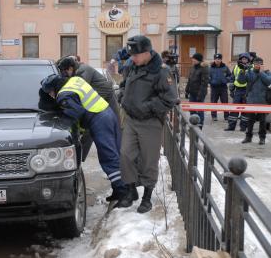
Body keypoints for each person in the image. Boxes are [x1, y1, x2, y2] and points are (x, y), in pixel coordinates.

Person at [40, 74, 130, 207]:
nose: (52, 96)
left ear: (54, 88)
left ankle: (123, 193)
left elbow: (75, 114)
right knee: (114, 153)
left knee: (108, 157)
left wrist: (75, 132)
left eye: (51, 92)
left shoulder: (64, 95)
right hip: (107, 113)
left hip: (99, 120)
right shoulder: (75, 80)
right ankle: (119, 189)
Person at [119, 35, 178, 212]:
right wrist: (123, 96)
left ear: (147, 53)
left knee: (149, 160)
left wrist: (146, 107)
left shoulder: (161, 71)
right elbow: (124, 84)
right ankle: (130, 191)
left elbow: (170, 99)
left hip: (150, 121)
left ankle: (147, 197)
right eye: (131, 55)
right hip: (131, 119)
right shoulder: (131, 65)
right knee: (125, 155)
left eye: (136, 55)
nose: (132, 58)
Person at [57, 56, 121, 163]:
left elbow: (78, 90)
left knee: (115, 131)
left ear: (70, 68)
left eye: (64, 71)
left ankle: (119, 163)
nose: (64, 74)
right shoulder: (78, 72)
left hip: (107, 100)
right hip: (99, 101)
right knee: (90, 131)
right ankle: (80, 158)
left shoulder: (83, 71)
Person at [241, 57, 271, 145]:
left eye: (259, 64)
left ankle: (262, 138)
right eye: (256, 64)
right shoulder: (249, 73)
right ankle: (248, 137)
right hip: (251, 101)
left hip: (262, 101)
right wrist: (242, 72)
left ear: (262, 65)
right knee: (250, 120)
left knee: (262, 121)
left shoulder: (267, 73)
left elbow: (269, 82)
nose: (258, 65)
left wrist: (261, 72)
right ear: (253, 64)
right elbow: (241, 81)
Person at [225, 53, 252, 131]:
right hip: (238, 90)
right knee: (234, 109)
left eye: (246, 59)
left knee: (245, 110)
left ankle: (243, 127)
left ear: (248, 60)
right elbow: (232, 78)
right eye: (243, 59)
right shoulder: (236, 66)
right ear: (240, 59)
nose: (244, 60)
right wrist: (231, 89)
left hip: (246, 90)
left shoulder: (251, 67)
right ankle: (231, 126)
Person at [185, 53, 209, 129]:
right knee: (191, 109)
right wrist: (187, 90)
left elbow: (204, 83)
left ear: (198, 60)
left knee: (199, 110)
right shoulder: (193, 67)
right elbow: (190, 80)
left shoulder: (204, 68)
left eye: (194, 59)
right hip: (192, 93)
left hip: (199, 93)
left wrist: (200, 95)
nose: (193, 60)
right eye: (192, 59)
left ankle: (200, 126)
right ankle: (193, 125)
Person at [209, 53, 231, 121]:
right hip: (214, 87)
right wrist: (211, 81)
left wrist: (226, 80)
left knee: (225, 102)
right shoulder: (210, 68)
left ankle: (226, 116)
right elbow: (207, 77)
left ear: (221, 60)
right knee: (213, 102)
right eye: (216, 59)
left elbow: (230, 76)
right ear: (214, 59)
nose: (217, 60)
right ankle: (214, 116)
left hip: (223, 87)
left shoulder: (225, 67)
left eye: (219, 59)